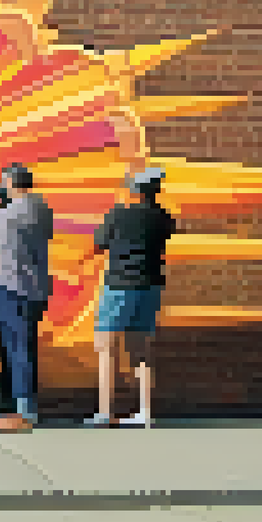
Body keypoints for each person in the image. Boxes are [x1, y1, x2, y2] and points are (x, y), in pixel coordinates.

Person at [87, 167, 176, 428]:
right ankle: (145, 410)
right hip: (150, 286)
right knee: (141, 350)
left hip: (119, 284)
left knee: (106, 346)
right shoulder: (163, 218)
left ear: (134, 190)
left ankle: (105, 410)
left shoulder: (118, 215)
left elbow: (99, 243)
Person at [0, 163, 55, 431]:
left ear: (12, 183)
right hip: (35, 286)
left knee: (16, 346)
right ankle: (22, 404)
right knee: (25, 346)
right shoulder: (43, 209)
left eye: (4, 182)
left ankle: (24, 411)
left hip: (10, 285)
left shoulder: (10, 212)